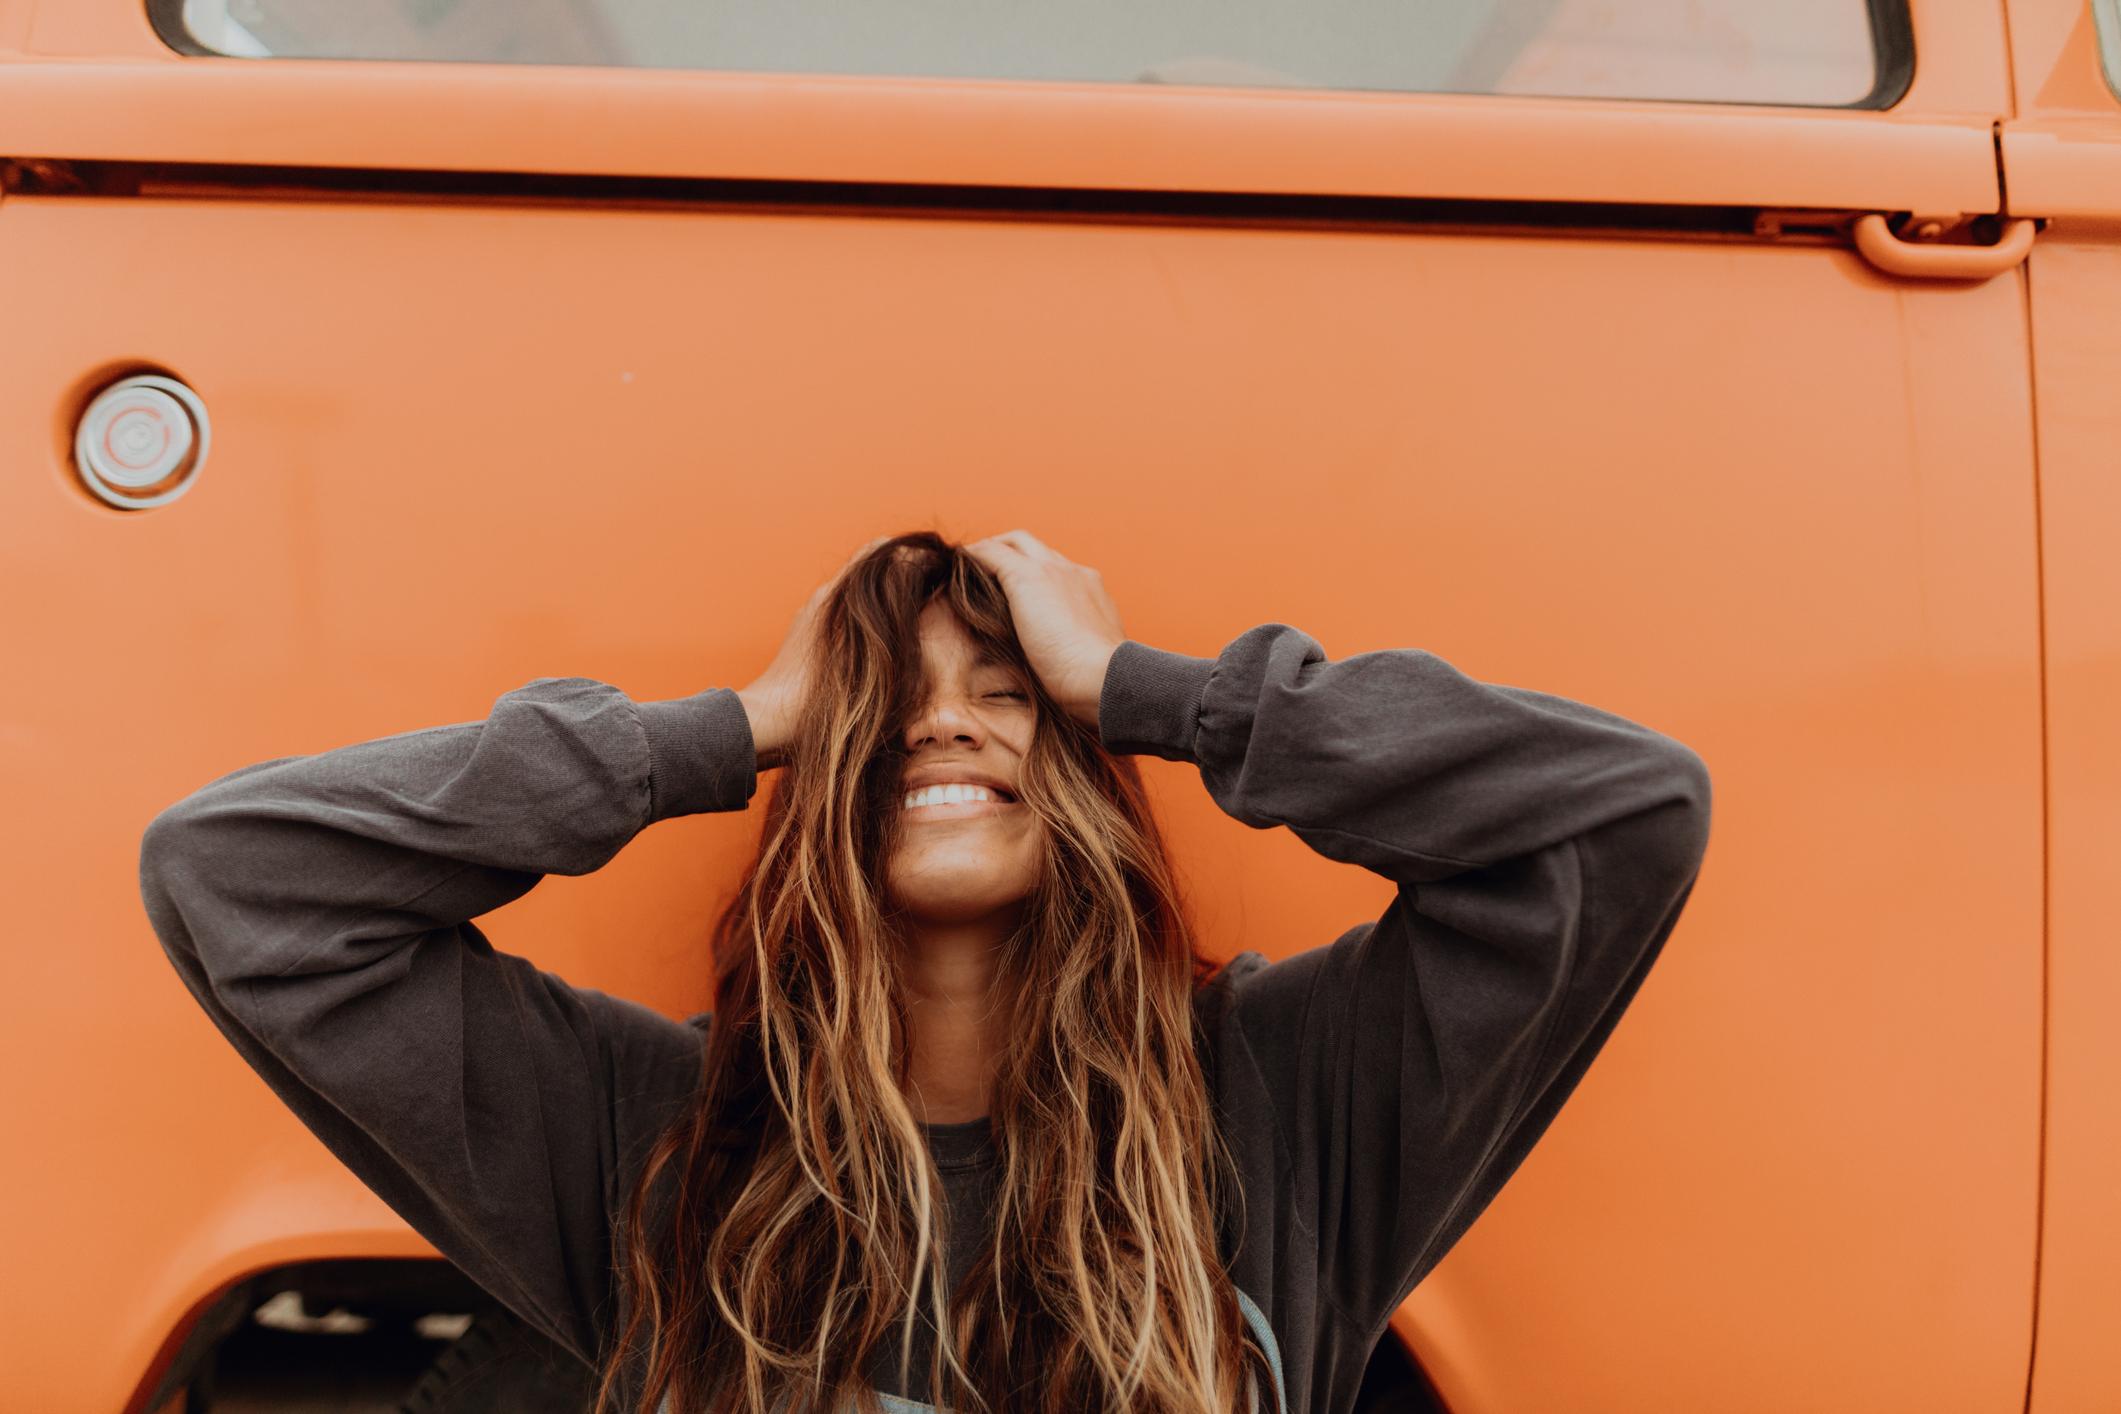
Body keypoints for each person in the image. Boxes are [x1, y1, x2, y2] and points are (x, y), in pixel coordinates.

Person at [139, 529, 1713, 1414]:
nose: (940, 720)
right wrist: (728, 725)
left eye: (1008, 688)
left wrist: (1154, 690)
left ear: (1091, 764)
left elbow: (1617, 813)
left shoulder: (1284, 1101)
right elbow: (244, 877)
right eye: (880, 694)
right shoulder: (646, 1138)